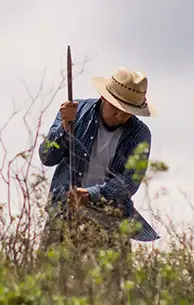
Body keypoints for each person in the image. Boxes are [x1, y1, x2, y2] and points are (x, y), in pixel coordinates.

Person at [37, 66, 160, 254]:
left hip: (111, 221)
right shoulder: (73, 113)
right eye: (116, 109)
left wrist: (90, 194)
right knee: (47, 278)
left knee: (112, 283)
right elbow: (47, 157)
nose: (119, 116)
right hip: (63, 214)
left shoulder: (140, 134)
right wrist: (64, 127)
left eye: (126, 112)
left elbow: (129, 183)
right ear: (104, 98)